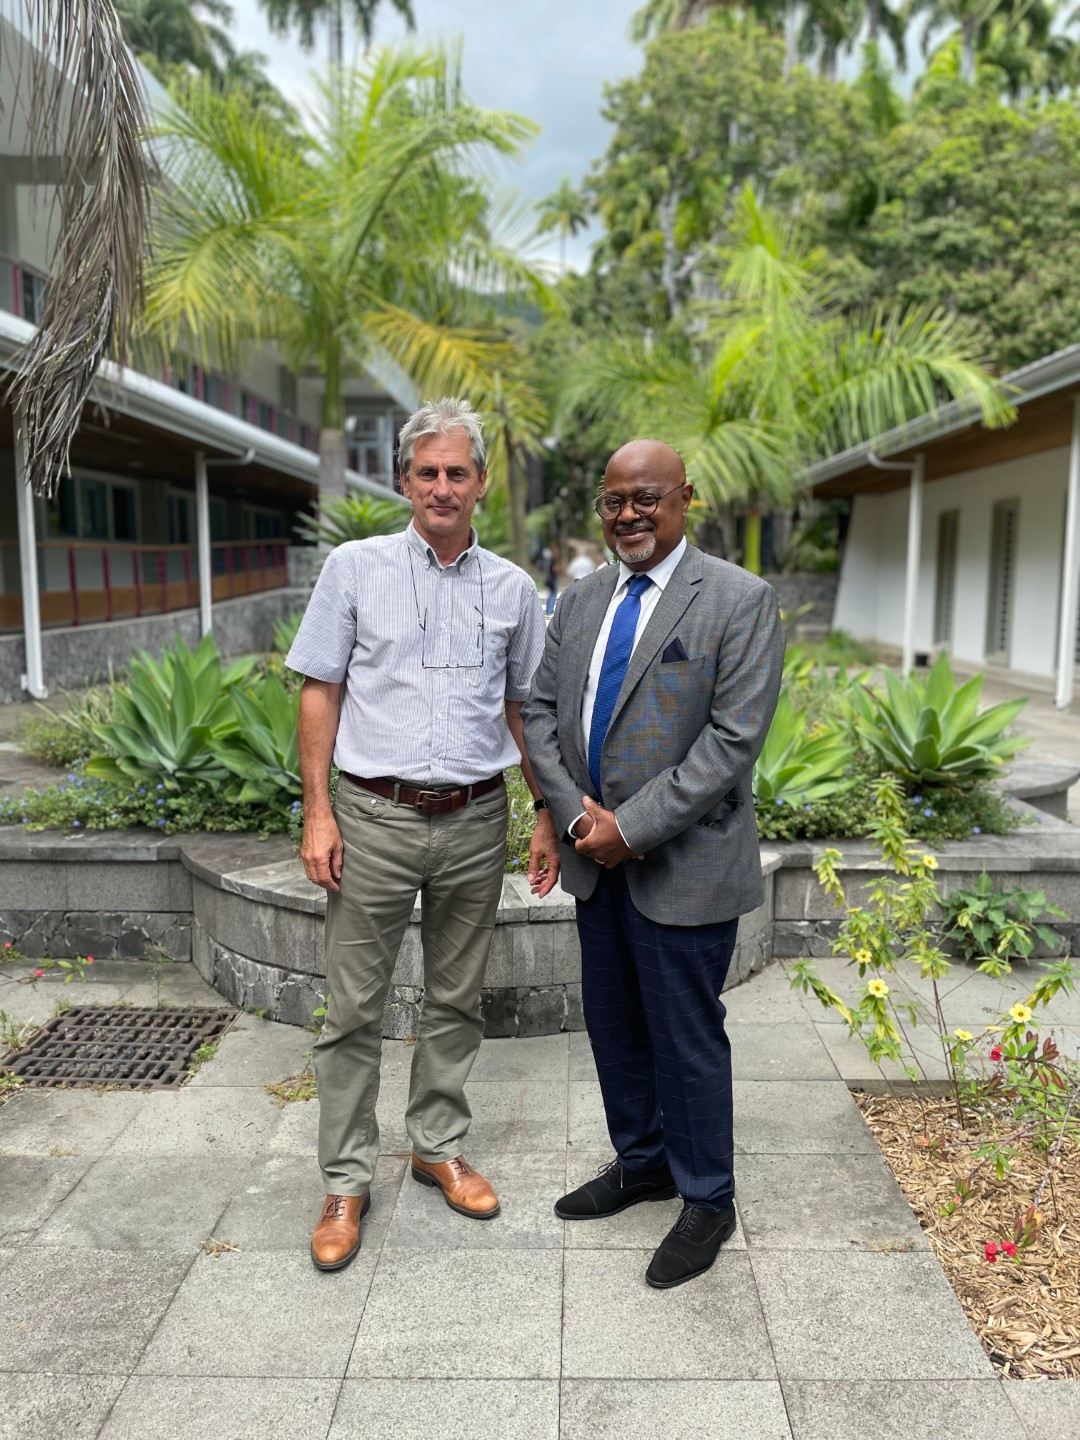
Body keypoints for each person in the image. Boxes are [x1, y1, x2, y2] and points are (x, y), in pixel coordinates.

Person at [288, 397, 560, 1273]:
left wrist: (547, 808)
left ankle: (436, 1143)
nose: (442, 487)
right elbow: (319, 687)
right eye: (427, 471)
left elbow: (527, 709)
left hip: (478, 819)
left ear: (482, 482)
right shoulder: (355, 568)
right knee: (354, 1011)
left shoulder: (515, 589)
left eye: (458, 472)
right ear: (404, 480)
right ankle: (345, 1180)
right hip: (371, 817)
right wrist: (318, 811)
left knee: (455, 999)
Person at [522, 438, 783, 1289]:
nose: (628, 514)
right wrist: (572, 818)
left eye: (646, 498)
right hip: (596, 860)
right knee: (616, 1025)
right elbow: (540, 712)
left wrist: (629, 827)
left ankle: (708, 1195)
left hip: (686, 863)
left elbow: (732, 742)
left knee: (686, 1039)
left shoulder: (739, 601)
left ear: (684, 498)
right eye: (613, 501)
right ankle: (643, 1162)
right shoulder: (582, 598)